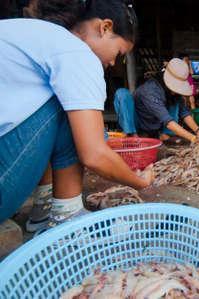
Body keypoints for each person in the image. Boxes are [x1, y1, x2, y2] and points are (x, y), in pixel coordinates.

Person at [0, 0, 154, 232]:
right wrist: (139, 182)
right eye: (119, 53)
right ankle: (67, 218)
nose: (113, 62)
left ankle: (45, 205)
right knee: (72, 111)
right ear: (105, 28)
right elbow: (93, 155)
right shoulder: (76, 51)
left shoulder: (32, 33)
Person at [133, 58, 199, 143]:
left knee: (176, 101)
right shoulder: (150, 91)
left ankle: (164, 135)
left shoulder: (174, 92)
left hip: (158, 124)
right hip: (143, 124)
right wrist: (194, 138)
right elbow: (167, 121)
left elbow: (185, 113)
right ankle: (135, 134)